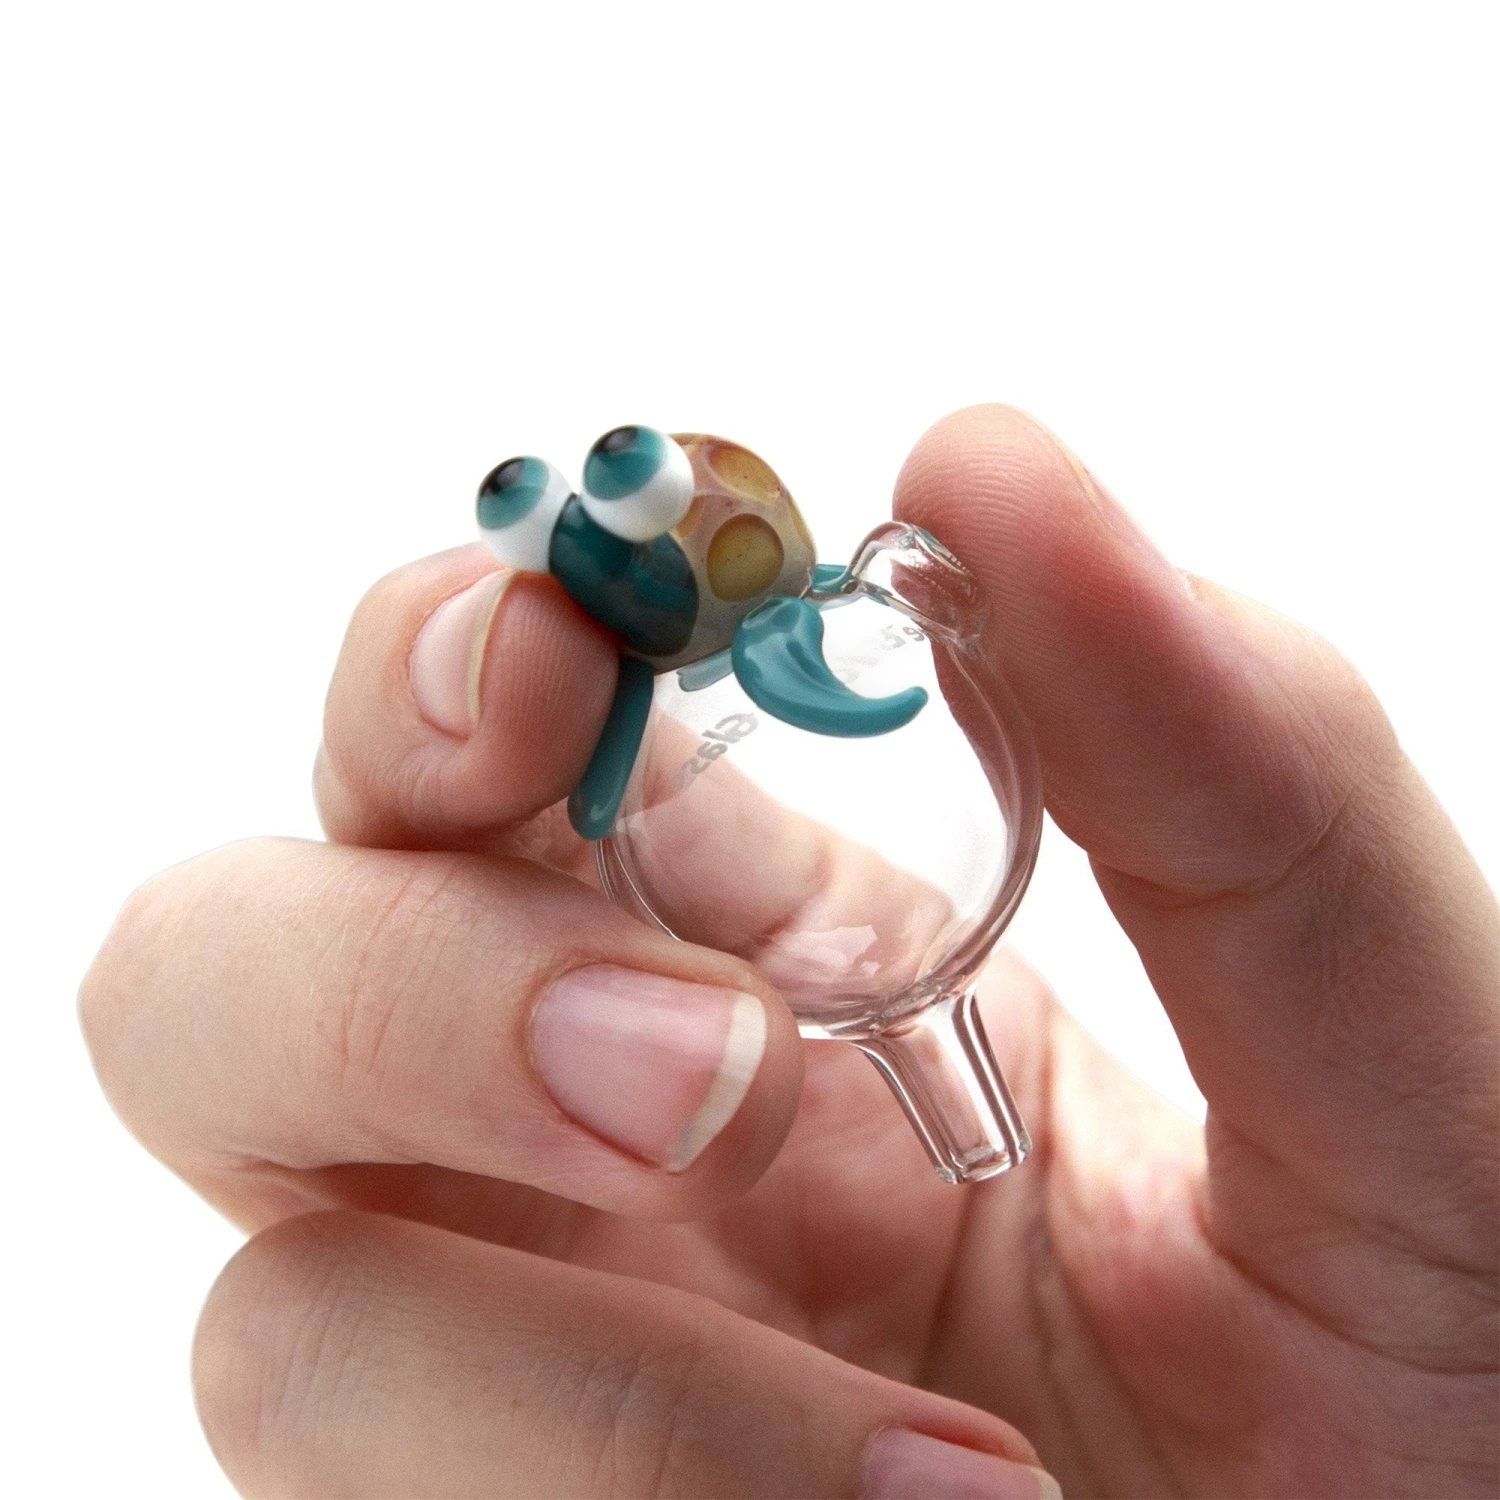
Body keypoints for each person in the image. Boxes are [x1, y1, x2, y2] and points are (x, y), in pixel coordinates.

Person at [80, 406, 1498, 1499]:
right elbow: (603, 797)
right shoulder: (639, 722)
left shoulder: (839, 632)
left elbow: (891, 615)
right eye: (556, 531)